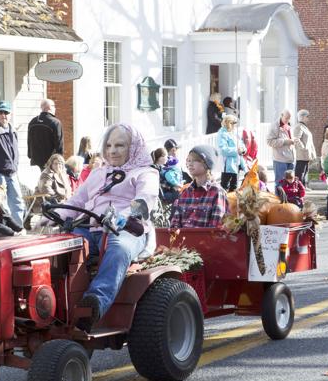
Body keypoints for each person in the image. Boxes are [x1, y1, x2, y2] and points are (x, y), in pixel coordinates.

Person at [53, 123, 159, 333]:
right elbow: (77, 200)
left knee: (118, 249)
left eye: (120, 145)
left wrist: (124, 217)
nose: (112, 150)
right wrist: (55, 215)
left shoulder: (145, 173)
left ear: (134, 147)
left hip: (126, 230)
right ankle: (54, 304)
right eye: (109, 145)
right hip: (88, 228)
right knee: (57, 248)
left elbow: (143, 202)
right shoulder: (98, 173)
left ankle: (93, 305)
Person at [170, 145, 228, 228]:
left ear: (206, 163)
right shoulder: (185, 193)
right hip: (183, 240)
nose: (190, 164)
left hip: (206, 240)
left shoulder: (217, 192)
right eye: (188, 161)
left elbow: (216, 228)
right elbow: (174, 225)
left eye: (194, 160)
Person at [27, 98, 64, 170]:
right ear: (50, 107)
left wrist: (30, 155)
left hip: (35, 161)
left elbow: (29, 141)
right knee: (49, 181)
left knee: (38, 180)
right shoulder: (55, 122)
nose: (55, 108)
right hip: (50, 163)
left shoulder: (32, 122)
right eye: (54, 106)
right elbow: (59, 145)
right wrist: (60, 162)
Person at [267, 109, 296, 188]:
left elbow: (289, 140)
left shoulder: (289, 126)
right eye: (286, 118)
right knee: (280, 183)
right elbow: (269, 141)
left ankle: (288, 199)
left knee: (290, 183)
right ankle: (279, 200)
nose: (288, 120)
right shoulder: (274, 126)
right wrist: (285, 141)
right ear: (281, 115)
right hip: (280, 160)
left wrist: (293, 141)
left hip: (290, 159)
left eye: (289, 118)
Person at [218, 114, 246, 192]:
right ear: (229, 123)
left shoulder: (234, 132)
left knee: (234, 186)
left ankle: (232, 203)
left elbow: (241, 144)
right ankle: (224, 203)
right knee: (224, 187)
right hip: (228, 165)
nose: (235, 126)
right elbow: (223, 150)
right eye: (234, 123)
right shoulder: (222, 133)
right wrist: (237, 150)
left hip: (237, 163)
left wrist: (243, 149)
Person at [293, 109, 317, 185]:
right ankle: (298, 188)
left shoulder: (304, 127)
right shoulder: (298, 127)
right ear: (302, 117)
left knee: (304, 173)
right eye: (307, 116)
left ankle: (303, 187)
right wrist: (303, 148)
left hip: (306, 155)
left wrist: (312, 154)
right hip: (301, 156)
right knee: (300, 174)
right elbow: (296, 139)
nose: (308, 118)